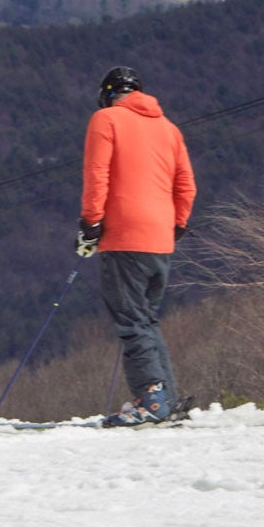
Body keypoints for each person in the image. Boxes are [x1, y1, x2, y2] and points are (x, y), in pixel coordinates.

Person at [78, 66, 196, 426]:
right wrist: (174, 227)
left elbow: (97, 174)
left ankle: (152, 398)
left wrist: (91, 224)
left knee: (131, 321)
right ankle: (166, 397)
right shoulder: (170, 129)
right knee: (146, 319)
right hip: (161, 238)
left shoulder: (106, 120)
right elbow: (187, 187)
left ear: (108, 94)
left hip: (124, 234)